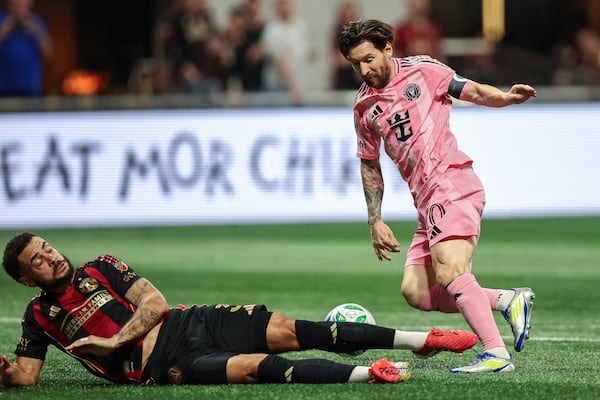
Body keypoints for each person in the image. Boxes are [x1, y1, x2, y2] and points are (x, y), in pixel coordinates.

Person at [0, 232, 478, 387]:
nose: (50, 256)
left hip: (191, 319)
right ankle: (369, 375)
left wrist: (114, 340)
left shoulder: (101, 266)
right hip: (166, 365)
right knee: (257, 369)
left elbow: (155, 302)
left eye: (47, 247)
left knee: (295, 329)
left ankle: (422, 340)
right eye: (37, 260)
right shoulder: (37, 317)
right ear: (26, 279)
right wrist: (5, 375)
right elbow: (26, 376)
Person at [338, 19, 537, 373]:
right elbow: (370, 164)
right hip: (425, 202)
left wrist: (505, 98)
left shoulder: (424, 70)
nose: (363, 70)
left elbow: (471, 90)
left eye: (368, 59)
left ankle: (496, 355)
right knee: (417, 291)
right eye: (355, 64)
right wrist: (375, 219)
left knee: (450, 269)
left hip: (451, 182)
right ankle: (507, 300)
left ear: (387, 48)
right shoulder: (363, 107)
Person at [260, 0, 310, 105]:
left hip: (300, 86)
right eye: (282, 4)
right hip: (280, 88)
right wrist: (294, 87)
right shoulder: (272, 29)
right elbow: (279, 59)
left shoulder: (299, 25)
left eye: (287, 4)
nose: (285, 7)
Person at [0, 0, 52, 96]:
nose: (19, 6)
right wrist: (4, 31)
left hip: (31, 88)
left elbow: (48, 54)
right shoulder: (2, 20)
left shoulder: (38, 22)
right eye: (15, 3)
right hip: (3, 89)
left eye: (22, 3)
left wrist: (36, 31)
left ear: (30, 3)